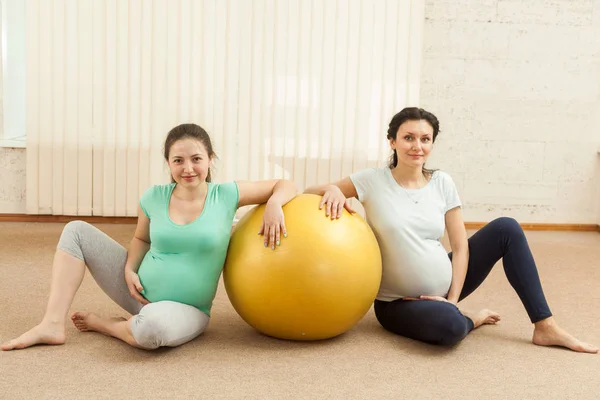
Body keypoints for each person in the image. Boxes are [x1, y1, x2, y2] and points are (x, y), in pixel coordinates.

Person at [304, 107, 598, 353]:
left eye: (425, 139)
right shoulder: (371, 180)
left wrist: (453, 300)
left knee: (507, 228)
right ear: (392, 141)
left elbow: (460, 246)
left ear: (432, 143)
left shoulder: (442, 182)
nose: (417, 146)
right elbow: (310, 191)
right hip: (397, 303)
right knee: (450, 328)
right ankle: (469, 319)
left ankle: (545, 326)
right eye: (408, 138)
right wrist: (333, 189)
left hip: (447, 290)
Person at [2, 123, 297, 351]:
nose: (188, 168)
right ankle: (52, 324)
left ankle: (107, 326)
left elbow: (286, 184)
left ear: (210, 159)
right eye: (178, 160)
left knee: (150, 332)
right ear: (168, 163)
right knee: (76, 230)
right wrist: (129, 269)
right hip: (137, 292)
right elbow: (141, 239)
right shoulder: (153, 197)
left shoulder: (227, 194)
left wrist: (273, 204)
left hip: (187, 310)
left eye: (196, 159)